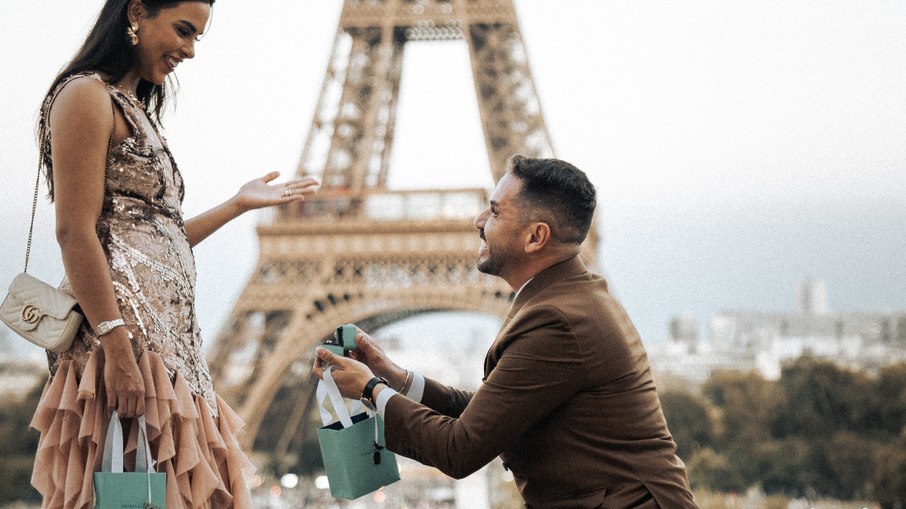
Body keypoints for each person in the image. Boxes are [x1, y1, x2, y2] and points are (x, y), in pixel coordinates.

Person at [29, 1, 320, 507]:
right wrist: (115, 346)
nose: (188, 50)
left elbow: (156, 237)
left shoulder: (133, 106)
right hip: (123, 347)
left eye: (196, 39)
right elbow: (75, 232)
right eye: (183, 31)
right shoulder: (84, 96)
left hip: (166, 351)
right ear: (137, 12)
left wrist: (236, 204)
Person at [314, 155, 699, 508]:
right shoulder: (567, 298)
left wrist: (369, 389)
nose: (478, 221)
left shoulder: (558, 320)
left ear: (536, 237)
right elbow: (492, 417)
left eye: (495, 211)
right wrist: (395, 379)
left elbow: (459, 449)